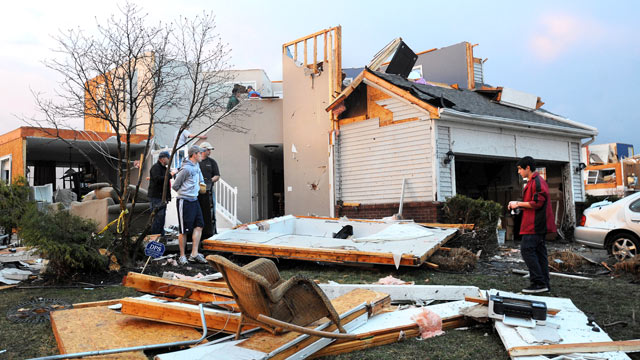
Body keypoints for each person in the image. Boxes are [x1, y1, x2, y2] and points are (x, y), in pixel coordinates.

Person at [508, 156, 557, 293]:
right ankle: (544, 284)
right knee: (540, 253)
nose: (519, 172)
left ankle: (538, 283)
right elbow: (532, 203)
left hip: (536, 225)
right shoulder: (532, 182)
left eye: (519, 169)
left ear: (527, 167)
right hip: (534, 224)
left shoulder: (537, 182)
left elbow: (538, 203)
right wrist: (518, 206)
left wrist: (517, 203)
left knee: (527, 250)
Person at [172, 145, 207, 265]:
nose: (202, 155)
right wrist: (186, 192)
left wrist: (201, 184)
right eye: (200, 153)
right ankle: (182, 256)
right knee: (184, 230)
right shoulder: (186, 169)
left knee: (199, 225)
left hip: (194, 200)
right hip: (184, 201)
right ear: (194, 154)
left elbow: (200, 177)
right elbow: (175, 186)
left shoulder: (197, 165)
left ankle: (194, 254)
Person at [147, 151, 176, 237]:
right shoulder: (155, 168)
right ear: (162, 159)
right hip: (156, 197)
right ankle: (155, 238)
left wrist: (168, 197)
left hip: (162, 198)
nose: (169, 160)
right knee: (157, 219)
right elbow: (158, 180)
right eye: (168, 158)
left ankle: (161, 237)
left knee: (162, 218)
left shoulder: (164, 168)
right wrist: (170, 175)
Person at [198, 142, 220, 235]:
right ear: (203, 150)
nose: (210, 151)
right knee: (199, 212)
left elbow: (217, 175)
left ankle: (212, 232)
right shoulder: (196, 161)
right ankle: (200, 233)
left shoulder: (212, 162)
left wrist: (210, 181)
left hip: (209, 191)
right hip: (196, 191)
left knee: (210, 212)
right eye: (208, 150)